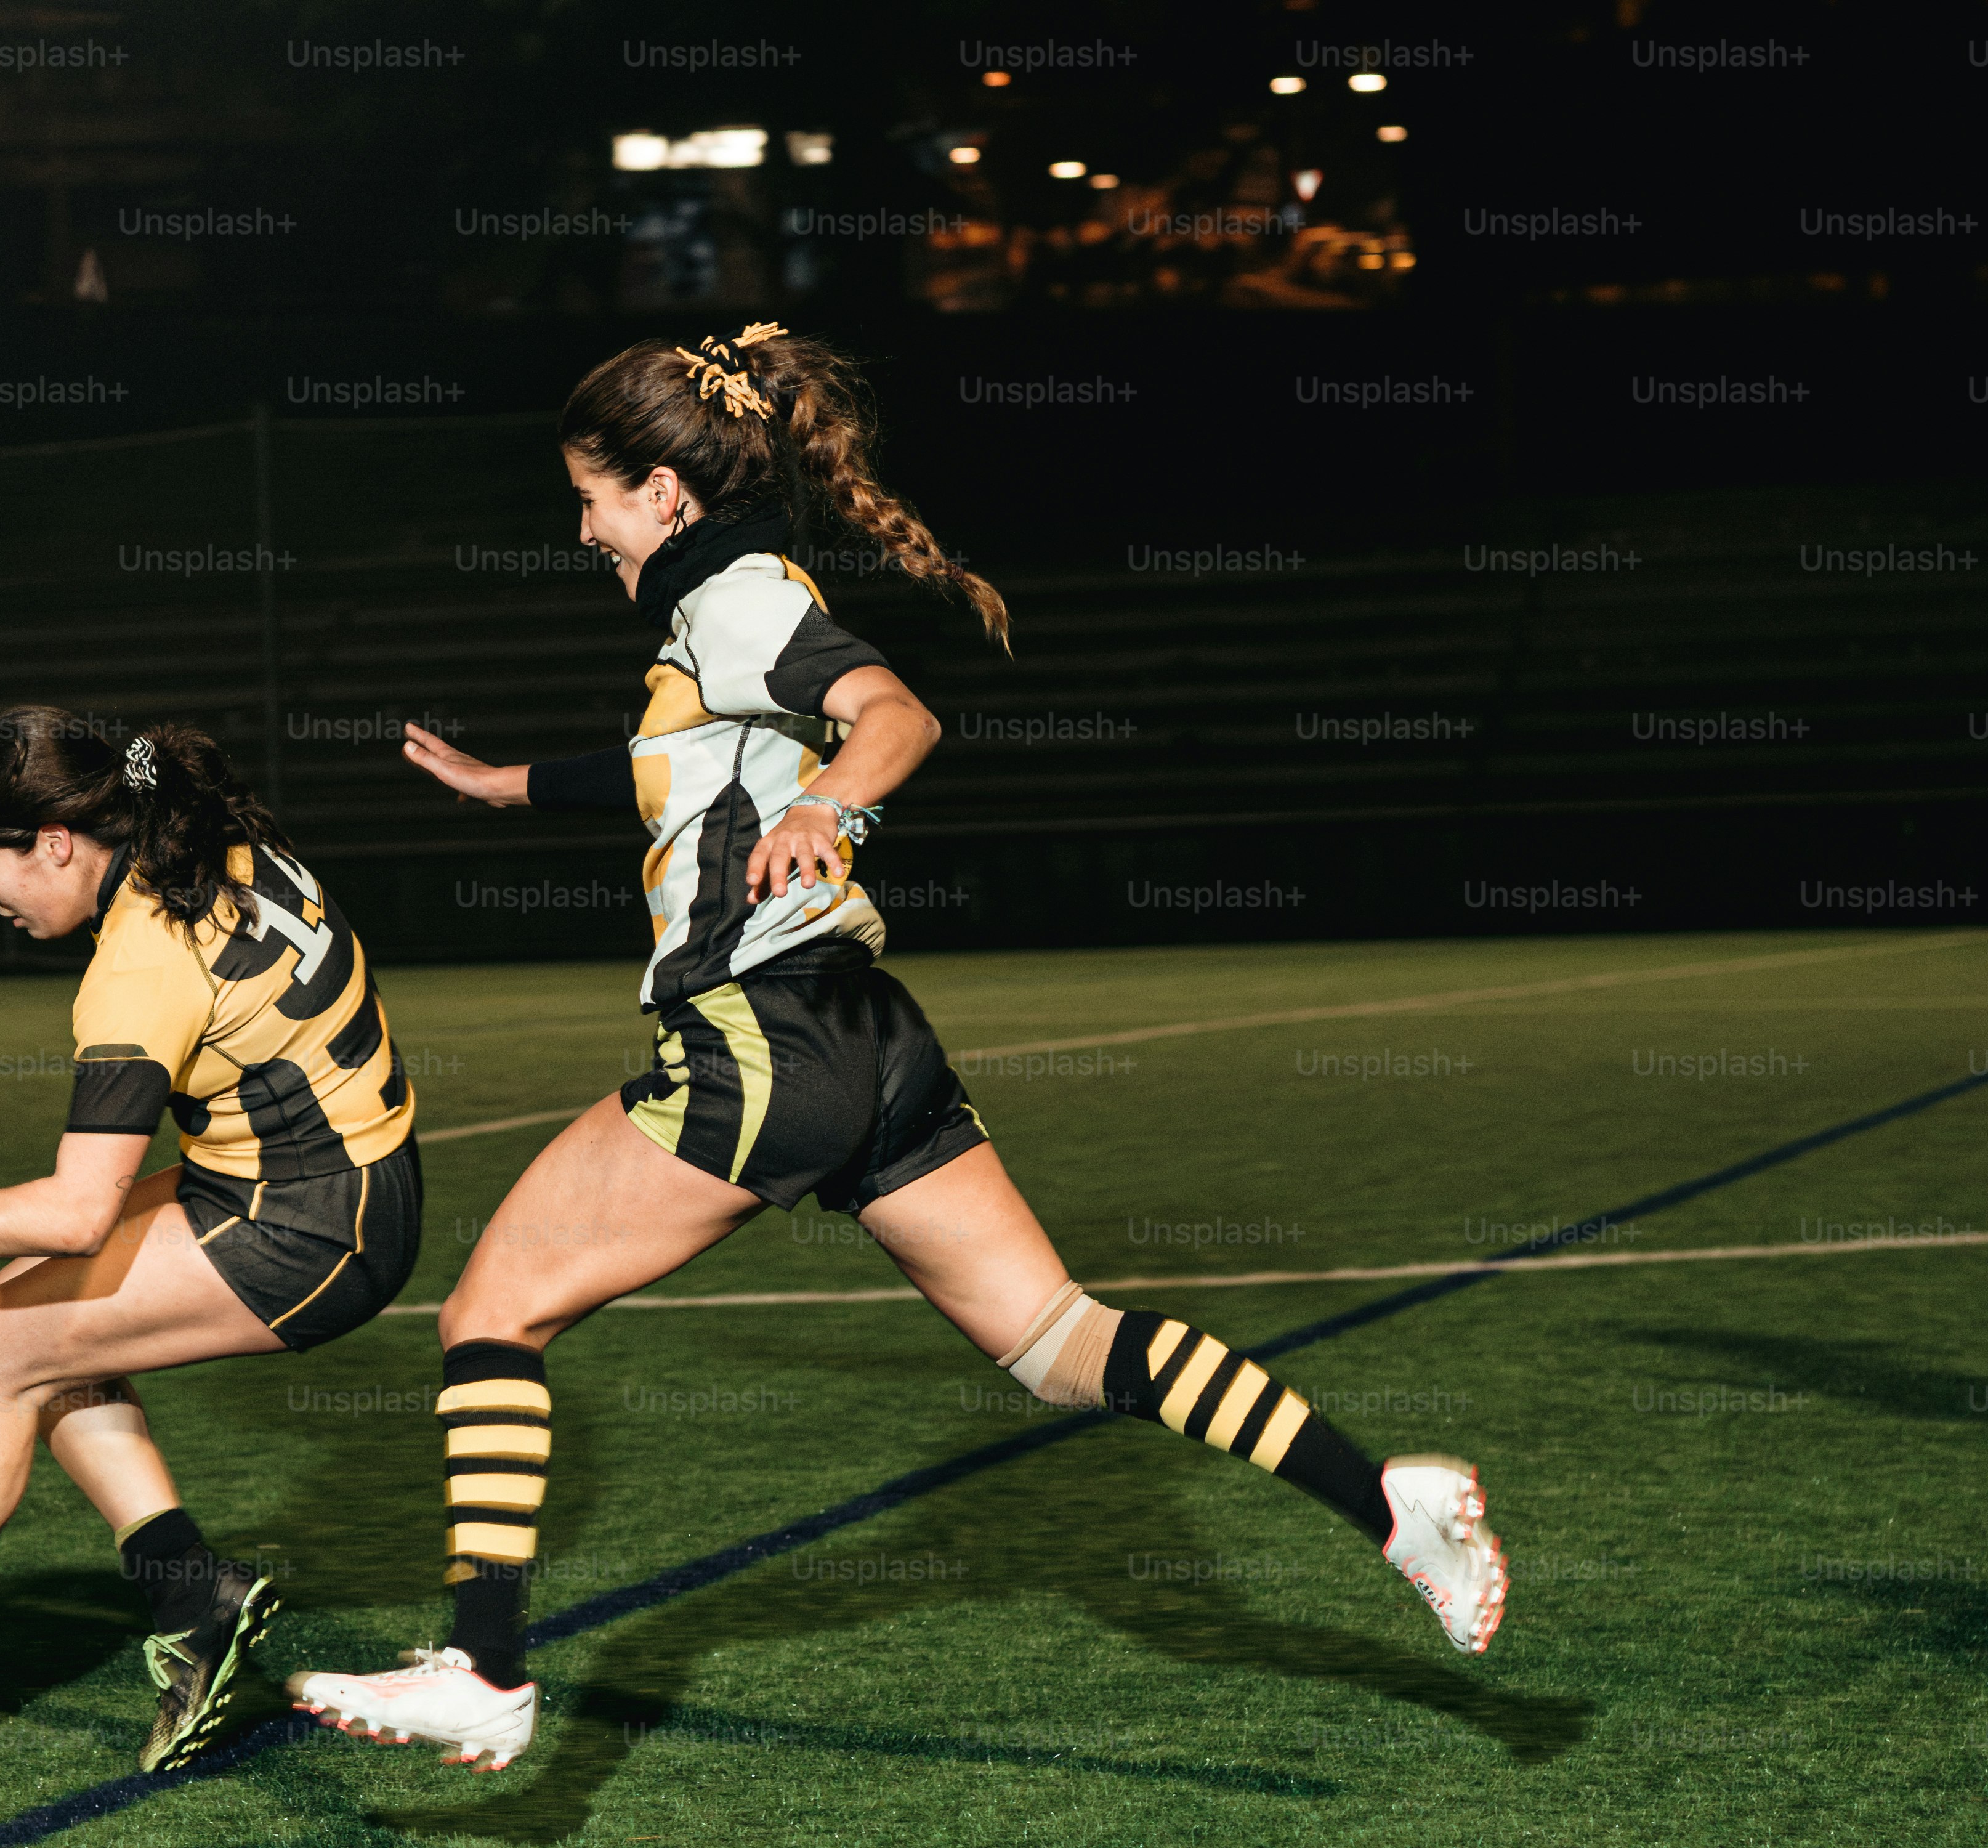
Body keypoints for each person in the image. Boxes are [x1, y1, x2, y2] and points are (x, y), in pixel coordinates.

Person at [286, 325, 1502, 1773]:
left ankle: (485, 1669)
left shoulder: (735, 598)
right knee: (1062, 1345)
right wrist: (514, 783)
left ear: (664, 494)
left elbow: (893, 712)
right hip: (868, 1037)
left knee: (491, 1312)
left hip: (759, 1032)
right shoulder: (725, 613)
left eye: (593, 499)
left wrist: (833, 807)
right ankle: (1389, 1502)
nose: (584, 529)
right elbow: (690, 764)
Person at [0, 709, 425, 1769]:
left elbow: (76, 1211)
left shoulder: (140, 961)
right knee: (27, 1307)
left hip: (307, 1223)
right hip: (325, 1177)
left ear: (56, 843)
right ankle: (191, 1596)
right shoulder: (202, 838)